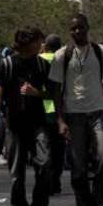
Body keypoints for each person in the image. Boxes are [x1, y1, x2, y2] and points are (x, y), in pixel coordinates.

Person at [50, 13, 103, 206]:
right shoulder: (62, 55)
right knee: (78, 168)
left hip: (97, 112)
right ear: (69, 32)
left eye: (81, 28)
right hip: (74, 115)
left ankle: (99, 204)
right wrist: (60, 120)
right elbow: (55, 92)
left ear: (88, 28)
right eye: (74, 29)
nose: (78, 31)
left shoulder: (101, 52)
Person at [0, 26, 52, 206]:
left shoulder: (43, 66)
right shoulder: (7, 65)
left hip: (38, 123)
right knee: (17, 172)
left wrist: (37, 93)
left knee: (44, 164)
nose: (41, 45)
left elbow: (53, 94)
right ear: (28, 42)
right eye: (38, 41)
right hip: (15, 124)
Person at [41, 34, 65, 195]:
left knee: (44, 145)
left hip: (42, 106)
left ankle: (45, 179)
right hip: (60, 108)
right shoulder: (64, 61)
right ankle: (55, 180)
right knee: (58, 146)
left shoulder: (39, 59)